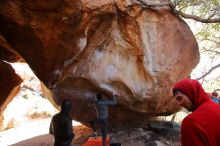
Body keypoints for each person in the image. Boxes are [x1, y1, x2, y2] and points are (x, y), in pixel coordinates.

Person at [173, 78, 220, 146]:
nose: (178, 104)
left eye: (179, 98)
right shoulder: (217, 107)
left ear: (191, 93)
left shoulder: (191, 122)